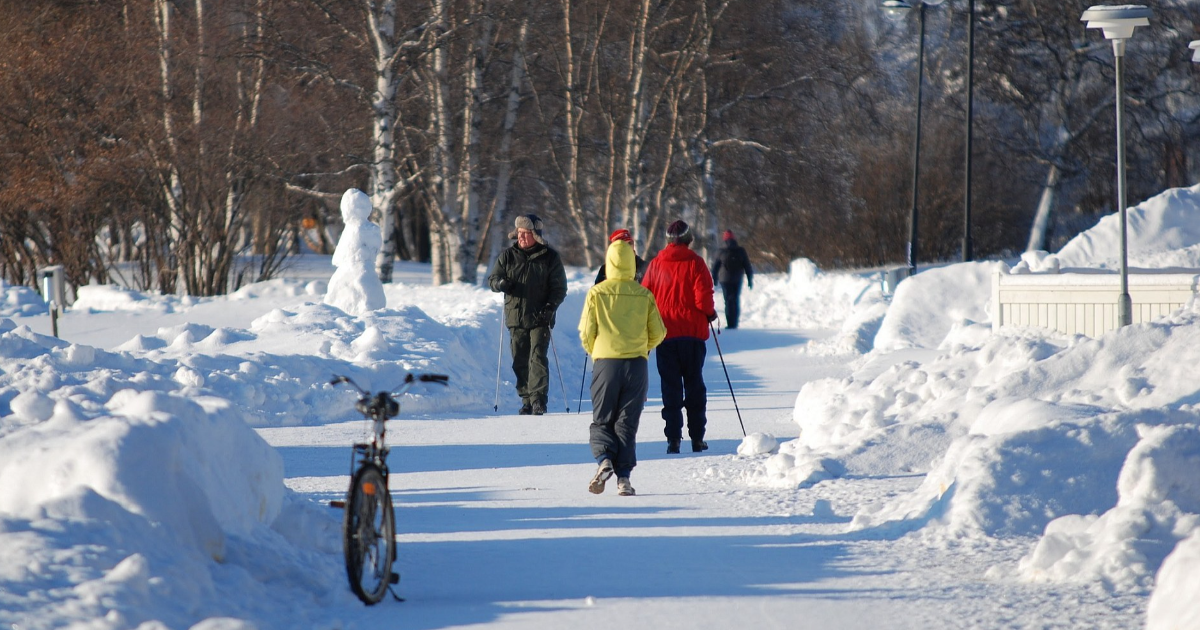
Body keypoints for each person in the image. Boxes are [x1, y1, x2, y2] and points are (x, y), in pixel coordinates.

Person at [579, 238, 666, 496]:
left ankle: (604, 460)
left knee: (602, 419)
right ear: (631, 263)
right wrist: (641, 346)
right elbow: (659, 333)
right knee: (627, 423)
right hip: (637, 365)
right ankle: (624, 479)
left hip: (606, 363)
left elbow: (586, 332)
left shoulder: (597, 293)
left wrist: (597, 351)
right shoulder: (644, 294)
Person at [641, 219, 718, 454]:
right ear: (688, 239)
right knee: (694, 385)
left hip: (665, 335)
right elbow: (702, 299)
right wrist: (711, 314)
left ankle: (673, 439)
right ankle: (697, 438)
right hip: (692, 336)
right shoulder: (696, 263)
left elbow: (645, 296)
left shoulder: (655, 264)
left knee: (670, 387)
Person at [488, 213, 568, 416]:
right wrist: (500, 284)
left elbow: (559, 288)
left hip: (541, 316)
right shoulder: (507, 256)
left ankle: (538, 400)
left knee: (538, 357)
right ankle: (526, 399)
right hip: (515, 316)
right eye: (519, 233)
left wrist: (551, 307)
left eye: (525, 233)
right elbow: (493, 279)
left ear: (535, 234)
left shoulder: (550, 258)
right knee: (520, 359)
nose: (520, 237)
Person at [710, 230, 754, 329]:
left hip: (724, 280)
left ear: (724, 239)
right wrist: (750, 279)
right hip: (737, 279)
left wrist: (715, 279)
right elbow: (747, 265)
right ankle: (734, 322)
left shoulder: (721, 251)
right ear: (734, 238)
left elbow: (715, 267)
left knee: (728, 301)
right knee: (735, 300)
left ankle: (730, 323)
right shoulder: (741, 251)